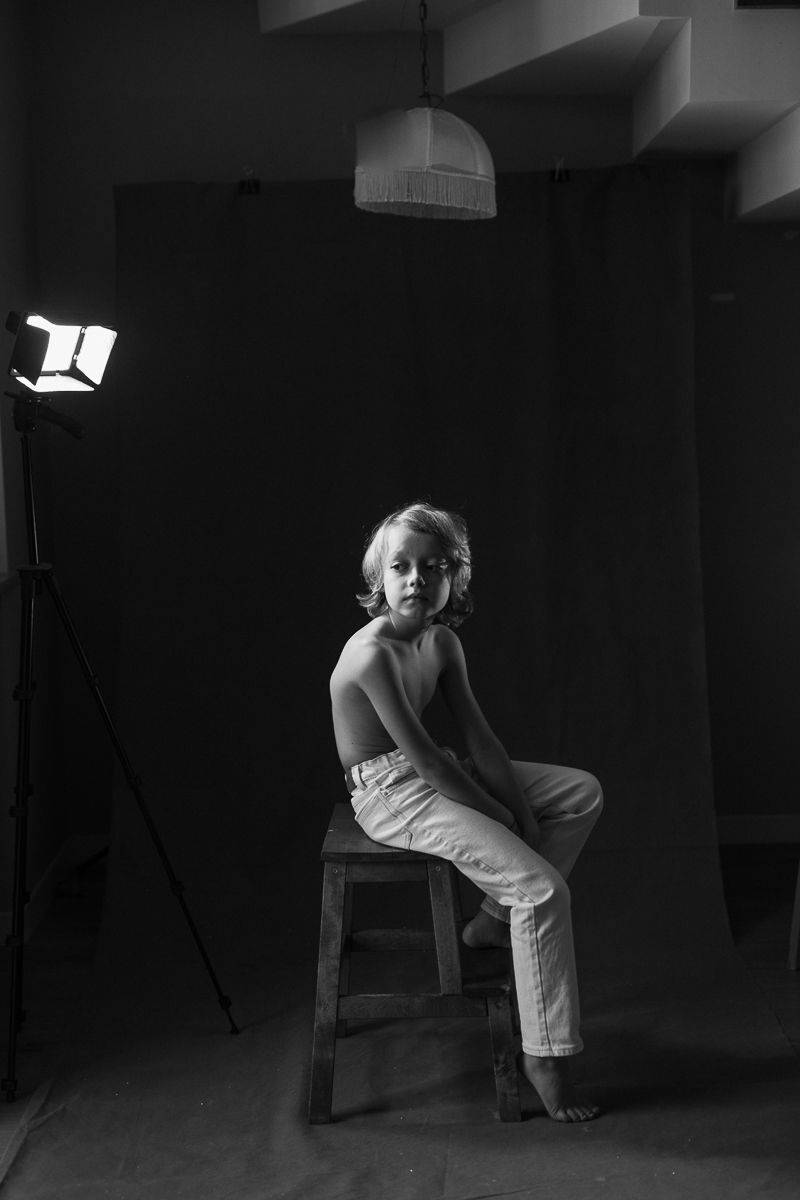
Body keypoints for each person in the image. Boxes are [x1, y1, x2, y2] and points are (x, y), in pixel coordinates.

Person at [330, 501, 603, 1122]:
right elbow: (428, 765)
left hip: (435, 769)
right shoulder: (372, 654)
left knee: (580, 793)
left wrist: (523, 814)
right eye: (401, 567)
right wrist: (502, 818)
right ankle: (546, 1055)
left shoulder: (442, 642)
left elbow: (480, 742)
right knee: (543, 892)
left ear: (455, 576)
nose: (417, 580)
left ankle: (490, 918)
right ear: (378, 577)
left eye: (434, 567)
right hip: (388, 793)